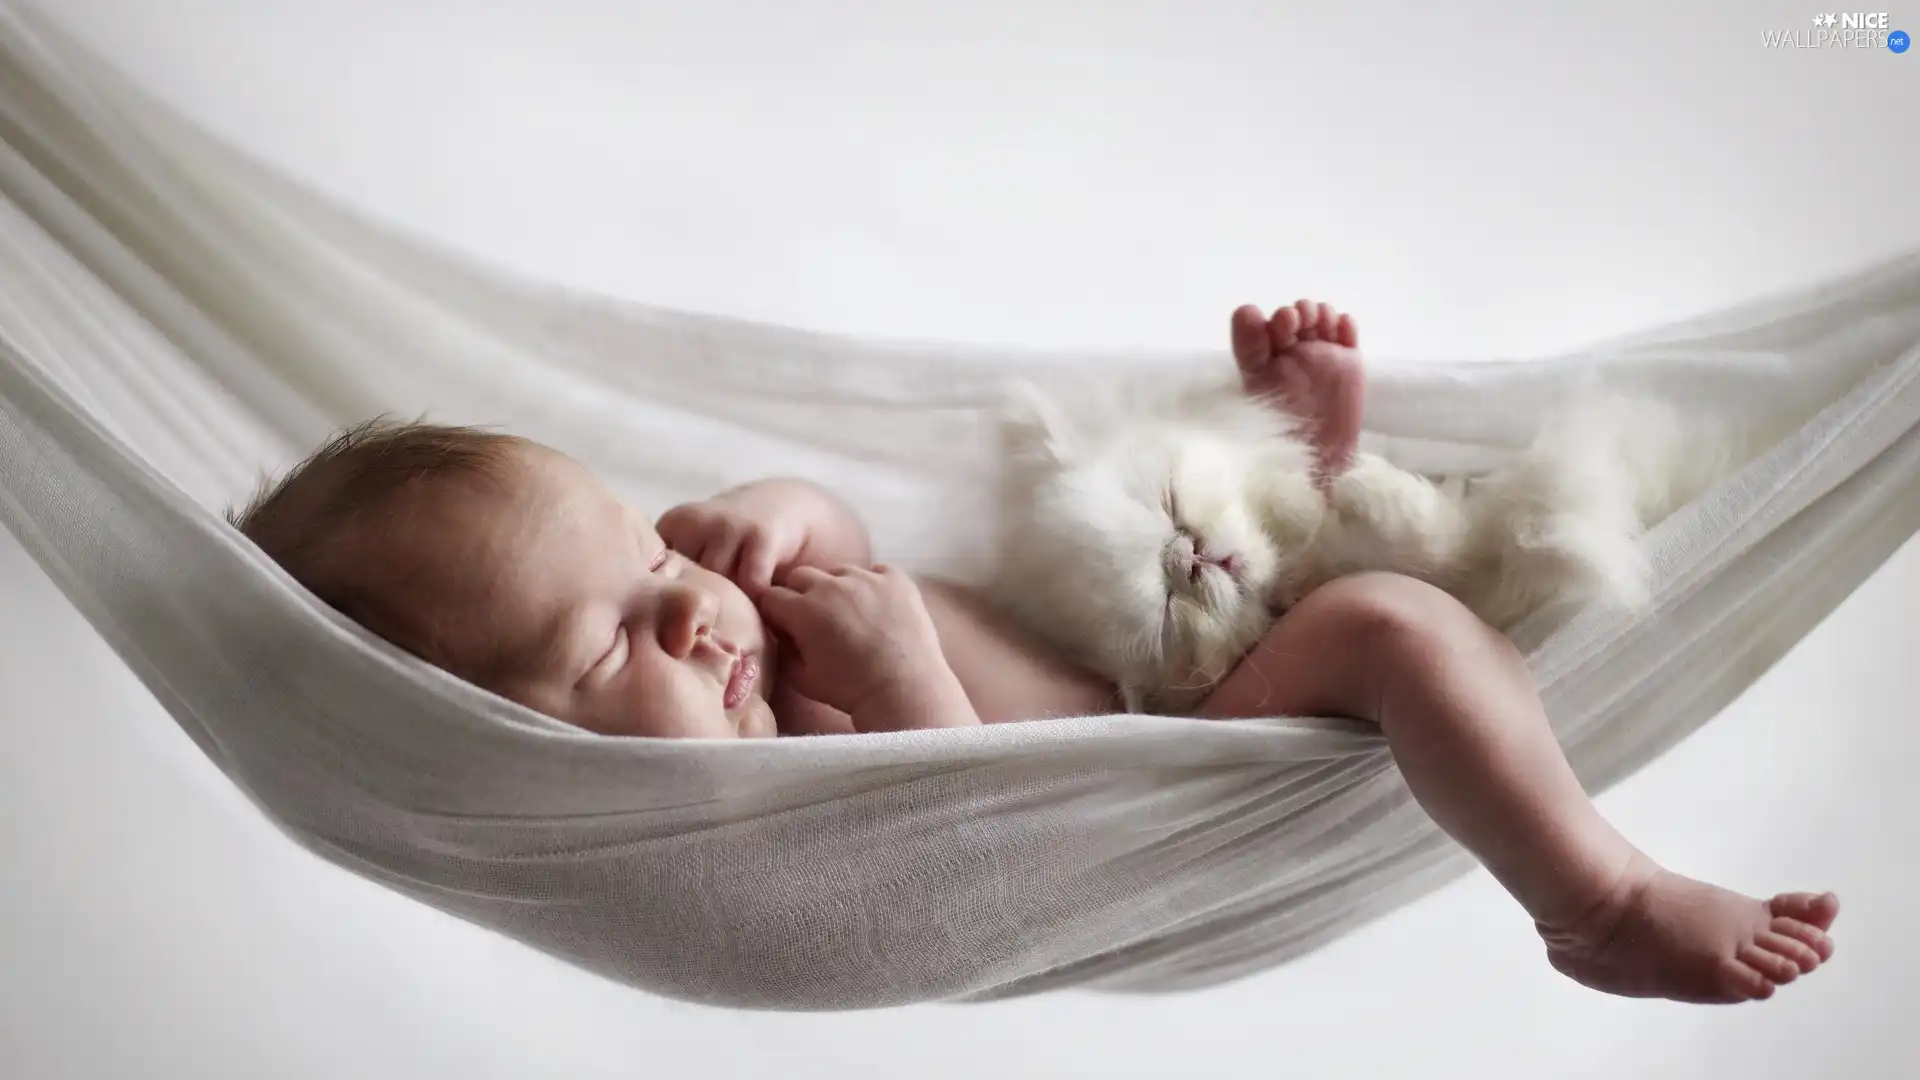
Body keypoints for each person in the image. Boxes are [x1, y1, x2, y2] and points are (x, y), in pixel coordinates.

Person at [230, 298, 1838, 1006]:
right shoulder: (744, 825)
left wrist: (778, 508)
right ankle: (1600, 900)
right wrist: (902, 679)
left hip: (1147, 642)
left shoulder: (728, 634)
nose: (687, 607)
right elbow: (968, 839)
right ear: (506, 760)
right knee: (1393, 633)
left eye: (649, 551)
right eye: (603, 645)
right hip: (1172, 756)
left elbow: (837, 519)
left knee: (1191, 528)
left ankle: (1301, 478)